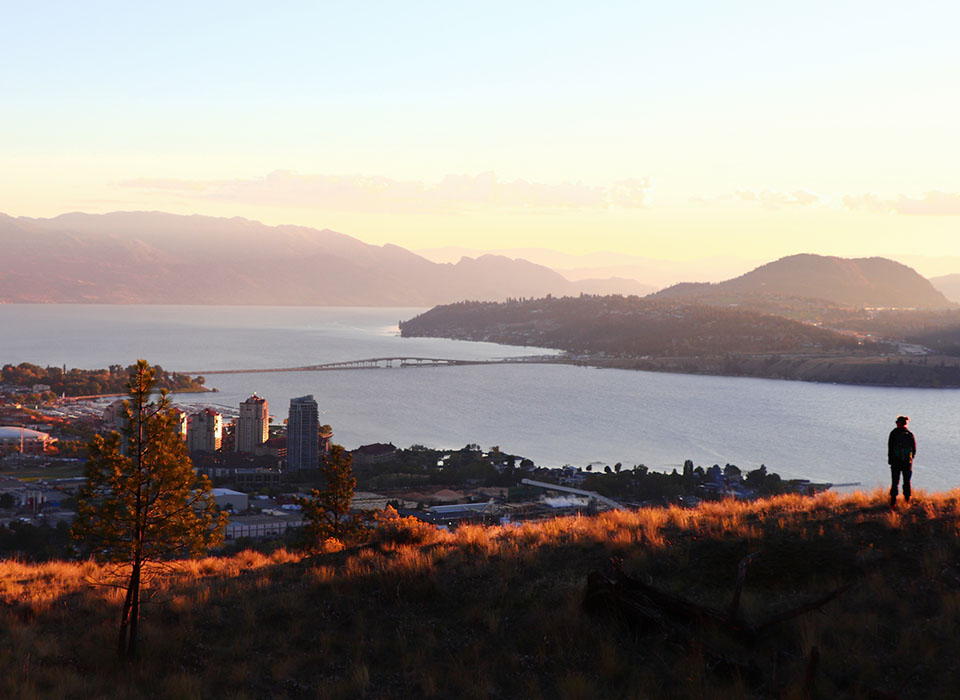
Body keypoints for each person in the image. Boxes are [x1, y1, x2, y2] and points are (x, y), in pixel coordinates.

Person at [887, 415, 916, 508]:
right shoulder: (910, 434)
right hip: (907, 462)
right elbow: (914, 449)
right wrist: (910, 459)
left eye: (897, 422)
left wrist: (891, 460)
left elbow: (890, 448)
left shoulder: (894, 433)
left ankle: (893, 502)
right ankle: (907, 501)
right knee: (907, 481)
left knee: (895, 481)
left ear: (899, 423)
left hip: (896, 462)